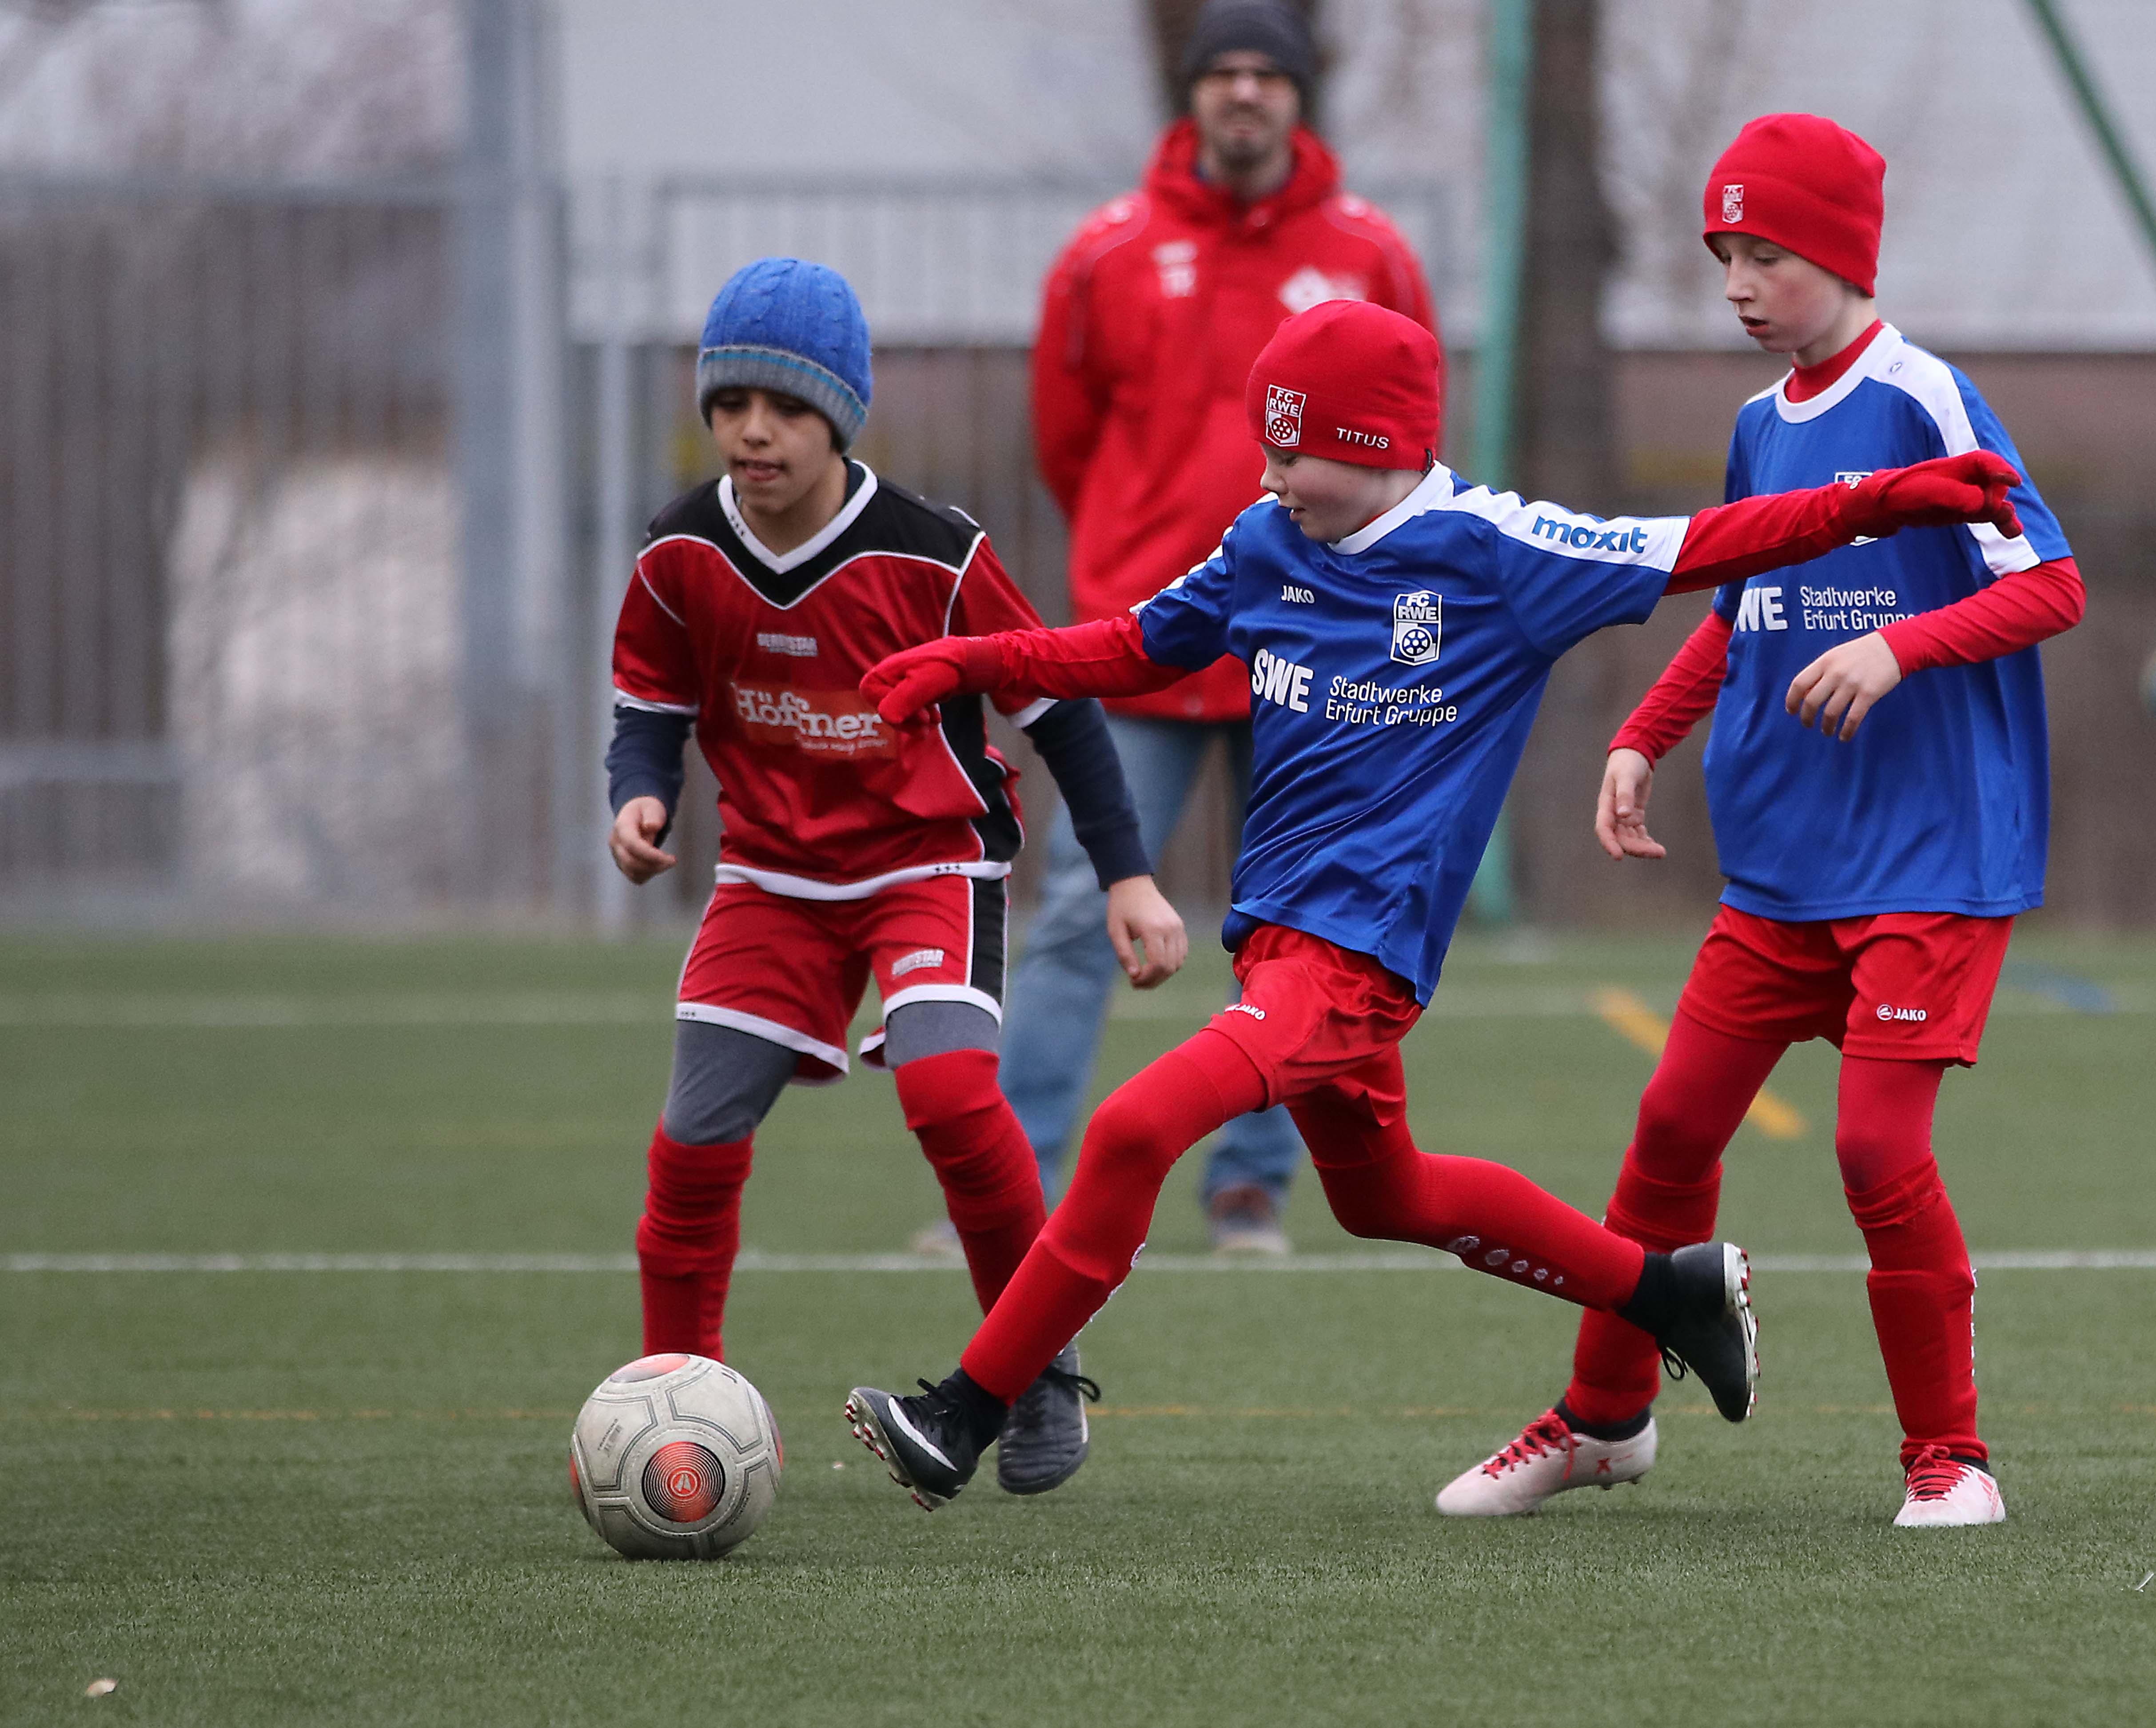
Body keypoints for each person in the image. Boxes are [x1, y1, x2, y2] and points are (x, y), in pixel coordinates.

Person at [842, 297, 2026, 1511]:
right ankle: (1660, 1292)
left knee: (1133, 1129)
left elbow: (1702, 544)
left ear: (1375, 449)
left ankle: (963, 1413)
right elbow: (1131, 647)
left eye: (1290, 450)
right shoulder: (1263, 539)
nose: (1268, 473)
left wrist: (1877, 501)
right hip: (1279, 943)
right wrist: (972, 662)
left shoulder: (1498, 552)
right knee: (1381, 1196)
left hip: (1358, 957)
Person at [1435, 115, 2085, 1529]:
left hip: (1926, 860)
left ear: (1841, 256)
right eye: (1722, 253)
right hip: (1784, 866)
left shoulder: (1925, 398)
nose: (1736, 281)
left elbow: (2050, 584)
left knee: (1869, 1149)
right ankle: (1605, 1419)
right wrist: (1640, 735)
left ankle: (1951, 1458)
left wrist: (1900, 648)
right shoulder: (1752, 426)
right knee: (1669, 1127)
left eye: (1765, 254)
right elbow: (1740, 608)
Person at [602, 257, 1187, 1497]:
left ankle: (1031, 1372)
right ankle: (671, 1408)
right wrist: (636, 793)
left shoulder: (935, 556)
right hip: (769, 875)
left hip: (930, 858)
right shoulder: (676, 552)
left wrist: (1128, 877)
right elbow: (646, 705)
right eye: (730, 404)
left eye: (787, 407)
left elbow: (1062, 713)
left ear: (840, 416)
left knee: (951, 1093)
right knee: (691, 1142)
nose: (753, 431)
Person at [965, 0, 1437, 1255]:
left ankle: (1253, 1187)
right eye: (1219, 72)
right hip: (1152, 639)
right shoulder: (1105, 252)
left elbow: (1407, 438)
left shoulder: (1369, 252)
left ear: (1299, 96)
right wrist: (1136, 566)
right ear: (1189, 95)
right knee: (1077, 906)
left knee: (1306, 923)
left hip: (1318, 650)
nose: (1242, 93)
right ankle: (1014, 1186)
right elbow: (1067, 441)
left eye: (1264, 74)